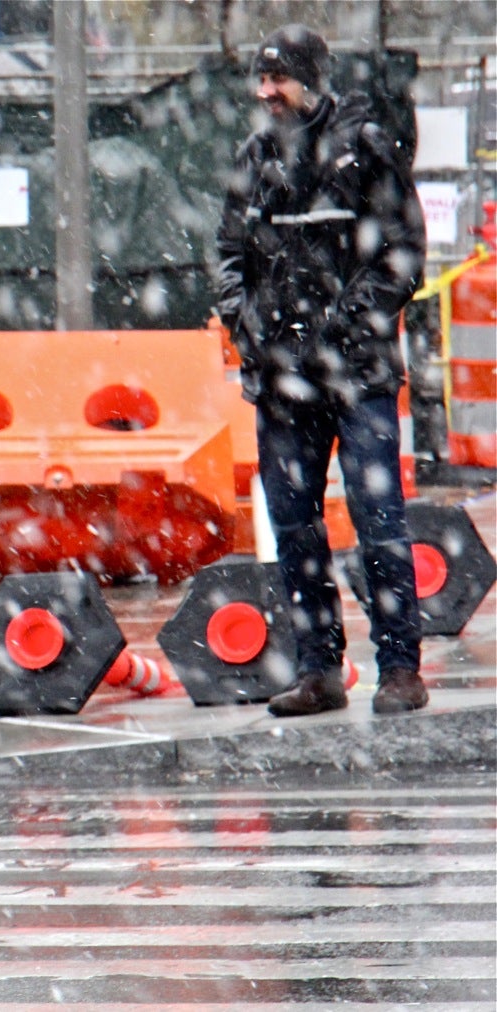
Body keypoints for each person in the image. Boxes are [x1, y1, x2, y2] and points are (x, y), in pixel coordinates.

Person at [214, 25, 429, 717]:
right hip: (281, 383)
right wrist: (247, 322)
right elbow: (227, 256)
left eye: (277, 78)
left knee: (379, 520)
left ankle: (399, 669)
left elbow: (401, 253)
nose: (264, 92)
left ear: (311, 78)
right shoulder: (254, 158)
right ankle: (319, 670)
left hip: (357, 376)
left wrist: (344, 324)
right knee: (295, 526)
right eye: (260, 78)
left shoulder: (365, 148)